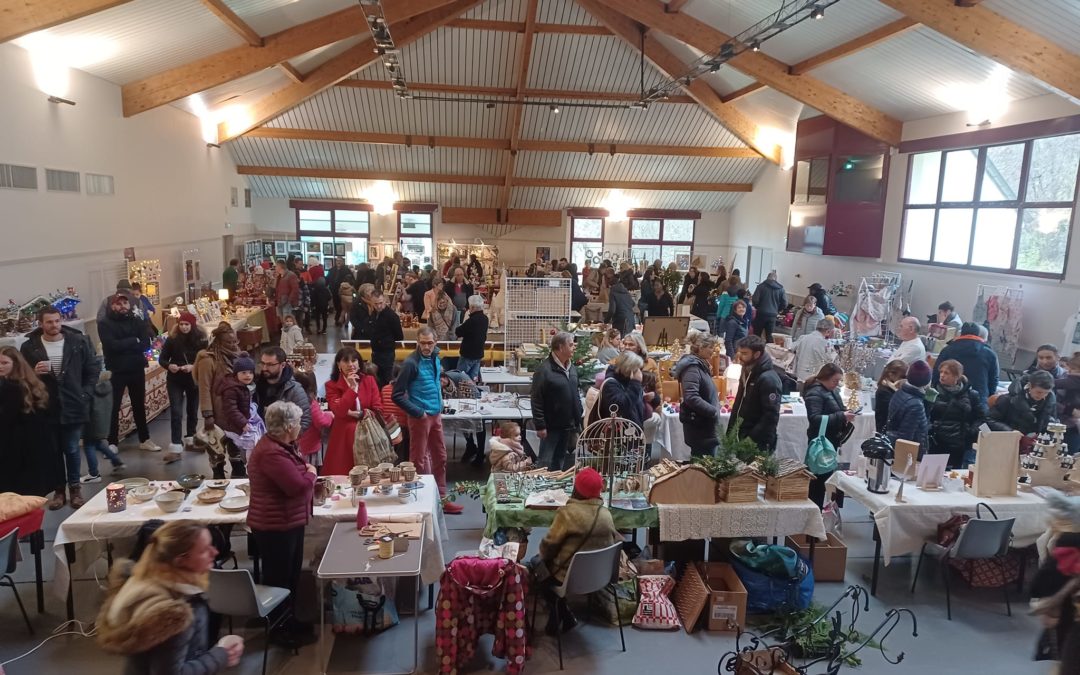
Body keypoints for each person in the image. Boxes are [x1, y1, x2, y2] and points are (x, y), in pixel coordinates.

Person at [96, 520, 245, 672]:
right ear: (181, 561)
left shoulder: (141, 585)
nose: (215, 552)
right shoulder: (171, 615)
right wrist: (221, 654)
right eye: (204, 550)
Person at [246, 401, 318, 648]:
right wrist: (311, 473)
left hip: (287, 522)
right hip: (275, 527)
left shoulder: (281, 446)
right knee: (279, 580)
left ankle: (290, 620)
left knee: (290, 577)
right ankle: (278, 630)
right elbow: (296, 487)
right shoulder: (271, 453)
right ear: (288, 426)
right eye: (298, 423)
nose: (300, 427)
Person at [20, 306, 100, 508]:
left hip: (74, 403)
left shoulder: (78, 341)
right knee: (53, 451)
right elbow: (23, 377)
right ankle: (58, 491)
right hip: (46, 406)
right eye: (49, 322)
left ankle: (75, 489)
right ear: (41, 324)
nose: (54, 325)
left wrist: (85, 393)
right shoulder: (30, 348)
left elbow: (92, 369)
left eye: (57, 321)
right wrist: (33, 372)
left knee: (72, 449)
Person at [537, 467, 622, 636]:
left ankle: (559, 612)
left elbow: (548, 547)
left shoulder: (567, 514)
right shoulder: (606, 515)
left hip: (568, 578)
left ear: (576, 489)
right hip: (599, 577)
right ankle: (565, 614)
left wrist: (543, 557)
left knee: (537, 568)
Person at [393, 327, 463, 514]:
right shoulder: (410, 363)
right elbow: (397, 395)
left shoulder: (435, 357)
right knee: (419, 461)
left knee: (440, 456)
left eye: (430, 343)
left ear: (436, 341)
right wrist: (418, 412)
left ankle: (442, 499)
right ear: (417, 341)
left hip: (435, 415)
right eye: (422, 343)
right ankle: (421, 502)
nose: (426, 346)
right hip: (421, 417)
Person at [98, 294, 159, 454]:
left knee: (139, 404)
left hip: (136, 368)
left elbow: (146, 343)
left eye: (125, 302)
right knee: (114, 406)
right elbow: (111, 346)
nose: (123, 306)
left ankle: (145, 439)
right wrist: (134, 341)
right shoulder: (105, 323)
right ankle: (112, 442)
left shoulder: (137, 320)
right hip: (116, 370)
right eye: (119, 303)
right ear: (112, 306)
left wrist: (128, 343)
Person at [0, 347, 60, 500]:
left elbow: (6, 419)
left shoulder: (10, 388)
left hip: (20, 449)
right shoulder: (31, 382)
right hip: (35, 447)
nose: (0, 366)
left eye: (4, 363)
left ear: (16, 364)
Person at [321, 348, 383, 476]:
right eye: (345, 361)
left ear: (359, 363)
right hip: (343, 437)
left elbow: (378, 408)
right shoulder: (331, 385)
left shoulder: (369, 380)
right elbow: (340, 411)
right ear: (338, 364)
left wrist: (360, 414)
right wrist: (353, 388)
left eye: (354, 360)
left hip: (368, 434)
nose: (350, 364)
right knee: (342, 477)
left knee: (370, 477)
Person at [802, 363, 856, 508]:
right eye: (835, 380)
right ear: (825, 378)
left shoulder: (830, 390)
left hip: (829, 440)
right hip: (821, 442)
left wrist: (845, 412)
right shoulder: (815, 393)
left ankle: (816, 514)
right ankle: (814, 513)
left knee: (822, 480)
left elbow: (835, 410)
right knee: (818, 481)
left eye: (839, 381)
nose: (837, 384)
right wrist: (841, 416)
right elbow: (814, 418)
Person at [157, 311, 208, 461]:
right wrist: (169, 365)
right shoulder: (172, 340)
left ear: (192, 325)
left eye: (187, 324)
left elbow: (206, 359)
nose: (184, 327)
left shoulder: (201, 340)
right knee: (176, 412)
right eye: (181, 324)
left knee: (192, 410)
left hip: (193, 378)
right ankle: (175, 445)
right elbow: (162, 358)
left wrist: (193, 366)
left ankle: (191, 438)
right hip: (175, 379)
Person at [531, 331, 584, 471]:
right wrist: (540, 425)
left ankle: (555, 488)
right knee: (545, 460)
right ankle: (540, 487)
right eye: (571, 345)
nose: (574, 348)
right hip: (551, 426)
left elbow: (575, 392)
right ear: (560, 347)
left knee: (560, 459)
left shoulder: (572, 367)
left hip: (568, 424)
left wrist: (578, 414)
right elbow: (536, 399)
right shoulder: (544, 370)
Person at [194, 322, 240, 470]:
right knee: (216, 445)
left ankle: (238, 470)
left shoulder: (237, 356)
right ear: (218, 341)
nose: (233, 345)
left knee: (236, 445)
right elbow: (204, 389)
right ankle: (218, 472)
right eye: (228, 342)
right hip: (217, 411)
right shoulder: (208, 360)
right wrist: (208, 415)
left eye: (234, 341)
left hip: (235, 410)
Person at [929, 359, 988, 469]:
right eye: (941, 372)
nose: (942, 376)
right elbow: (925, 413)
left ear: (957, 376)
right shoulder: (932, 392)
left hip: (958, 444)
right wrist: (931, 428)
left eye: (946, 373)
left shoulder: (971, 395)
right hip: (936, 442)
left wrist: (970, 432)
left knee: (953, 476)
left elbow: (982, 418)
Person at [674, 331, 722, 457]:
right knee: (702, 466)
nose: (713, 350)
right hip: (700, 427)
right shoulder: (692, 368)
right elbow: (691, 397)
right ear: (700, 348)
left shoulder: (700, 365)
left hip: (704, 425)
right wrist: (713, 411)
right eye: (710, 347)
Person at [731, 335, 782, 453]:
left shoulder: (768, 379)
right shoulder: (746, 371)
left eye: (744, 353)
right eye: (739, 352)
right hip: (742, 436)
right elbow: (738, 404)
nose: (740, 357)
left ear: (757, 354)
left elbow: (770, 416)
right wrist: (731, 432)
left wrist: (750, 440)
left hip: (758, 443)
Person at [931, 322, 999, 403]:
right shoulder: (989, 354)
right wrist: (986, 397)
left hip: (947, 401)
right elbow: (994, 380)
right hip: (978, 400)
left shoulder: (947, 350)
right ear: (978, 334)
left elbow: (936, 374)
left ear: (961, 333)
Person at [213, 352, 256, 478]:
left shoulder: (244, 386)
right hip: (233, 425)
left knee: (238, 448)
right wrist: (242, 422)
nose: (248, 375)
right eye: (243, 373)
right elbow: (231, 409)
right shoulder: (232, 388)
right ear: (236, 374)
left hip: (240, 423)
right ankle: (245, 470)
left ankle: (240, 470)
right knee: (243, 446)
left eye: (250, 372)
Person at [351, 287, 403, 387]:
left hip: (387, 352)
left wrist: (386, 340)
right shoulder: (374, 313)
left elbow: (399, 336)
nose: (379, 306)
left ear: (384, 300)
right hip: (375, 351)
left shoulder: (392, 316)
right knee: (376, 377)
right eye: (376, 304)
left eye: (381, 303)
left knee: (387, 378)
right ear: (371, 302)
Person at [254, 347, 312, 435]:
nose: (264, 368)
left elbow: (304, 421)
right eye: (262, 363)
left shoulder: (294, 390)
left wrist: (284, 439)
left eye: (270, 364)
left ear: (283, 365)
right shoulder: (256, 384)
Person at [81, 370, 125, 483]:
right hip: (103, 420)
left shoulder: (89, 388)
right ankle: (116, 461)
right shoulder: (107, 384)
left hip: (91, 420)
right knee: (98, 442)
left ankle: (94, 474)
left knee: (89, 444)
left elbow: (86, 404)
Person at [988, 370, 1057, 438]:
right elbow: (989, 421)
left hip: (1036, 441)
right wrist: (1010, 431)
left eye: (1046, 393)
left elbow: (1051, 423)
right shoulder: (1007, 400)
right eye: (1039, 392)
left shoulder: (1050, 402)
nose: (1042, 396)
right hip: (1009, 440)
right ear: (1029, 386)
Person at [885, 360, 931, 453]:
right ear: (926, 380)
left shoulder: (899, 392)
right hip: (910, 454)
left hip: (893, 444)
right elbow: (906, 439)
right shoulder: (916, 404)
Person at [595, 352, 645, 427]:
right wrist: (635, 383)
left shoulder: (629, 380)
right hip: (618, 434)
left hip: (634, 430)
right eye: (636, 369)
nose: (639, 372)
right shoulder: (611, 384)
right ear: (627, 368)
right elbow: (620, 407)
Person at [294, 371, 332, 469]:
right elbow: (321, 421)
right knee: (312, 472)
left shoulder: (291, 400)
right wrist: (329, 416)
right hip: (311, 446)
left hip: (297, 445)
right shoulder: (311, 403)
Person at [381, 364, 411, 463]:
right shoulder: (407, 391)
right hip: (403, 427)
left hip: (387, 427)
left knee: (392, 456)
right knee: (404, 457)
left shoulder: (385, 388)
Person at [455, 295, 489, 381]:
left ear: (473, 307)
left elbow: (458, 332)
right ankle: (473, 393)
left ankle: (461, 393)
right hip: (478, 354)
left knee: (460, 378)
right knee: (473, 379)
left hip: (468, 354)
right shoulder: (485, 319)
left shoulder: (471, 321)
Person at [792, 318, 835, 382]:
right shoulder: (824, 343)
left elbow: (791, 347)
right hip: (811, 379)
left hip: (798, 376)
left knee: (796, 392)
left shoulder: (803, 337)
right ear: (828, 331)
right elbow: (829, 360)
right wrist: (834, 352)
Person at [751, 272, 787, 341]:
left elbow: (755, 300)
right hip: (773, 316)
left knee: (756, 336)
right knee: (769, 337)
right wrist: (777, 309)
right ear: (776, 279)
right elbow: (785, 303)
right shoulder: (781, 289)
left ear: (767, 278)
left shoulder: (761, 286)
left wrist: (757, 307)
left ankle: (756, 350)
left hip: (761, 314)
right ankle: (767, 351)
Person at [874, 359, 908, 433]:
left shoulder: (893, 389)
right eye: (902, 377)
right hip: (885, 431)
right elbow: (896, 410)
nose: (904, 380)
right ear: (891, 374)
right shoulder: (883, 391)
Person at [1056, 353, 1080, 454]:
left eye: (1073, 369)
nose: (1069, 371)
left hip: (1071, 424)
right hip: (1068, 423)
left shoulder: (1073, 379)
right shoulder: (1070, 378)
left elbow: (1053, 383)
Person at [607, 270, 636, 337]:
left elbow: (612, 310)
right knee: (628, 342)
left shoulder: (613, 292)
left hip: (620, 321)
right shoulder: (626, 291)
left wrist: (606, 321)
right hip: (630, 320)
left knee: (619, 342)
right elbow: (633, 304)